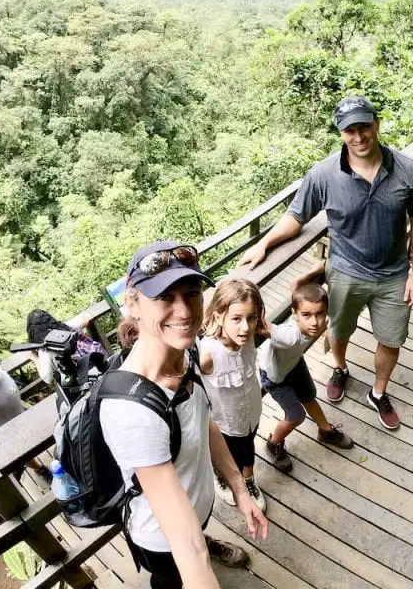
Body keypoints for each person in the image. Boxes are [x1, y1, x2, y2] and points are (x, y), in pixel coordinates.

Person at [240, 96, 413, 430]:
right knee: (339, 331)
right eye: (349, 130)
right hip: (345, 270)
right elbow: (297, 217)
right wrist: (265, 244)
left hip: (394, 273)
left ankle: (378, 391)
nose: (358, 137)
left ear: (377, 125)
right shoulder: (324, 174)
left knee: (391, 338)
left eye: (364, 127)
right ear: (341, 133)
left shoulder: (406, 169)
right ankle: (340, 368)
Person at [99, 241, 268, 589]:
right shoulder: (132, 412)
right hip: (162, 539)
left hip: (198, 506)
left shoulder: (185, 353)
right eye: (164, 297)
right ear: (132, 304)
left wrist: (238, 486)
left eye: (191, 293)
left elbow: (202, 419)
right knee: (173, 576)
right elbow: (188, 548)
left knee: (197, 538)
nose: (184, 311)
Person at [260, 276, 355, 473]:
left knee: (309, 397)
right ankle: (273, 443)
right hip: (275, 376)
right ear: (294, 314)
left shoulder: (315, 322)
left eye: (320, 314)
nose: (315, 322)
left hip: (294, 364)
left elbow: (300, 292)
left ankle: (326, 431)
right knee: (296, 415)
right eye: (306, 315)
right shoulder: (288, 336)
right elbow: (265, 327)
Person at [198, 278, 266, 512]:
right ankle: (222, 478)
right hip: (225, 424)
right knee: (228, 456)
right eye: (236, 319)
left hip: (251, 414)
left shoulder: (247, 336)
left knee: (249, 447)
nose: (245, 327)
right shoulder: (208, 354)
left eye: (251, 317)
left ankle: (249, 480)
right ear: (218, 316)